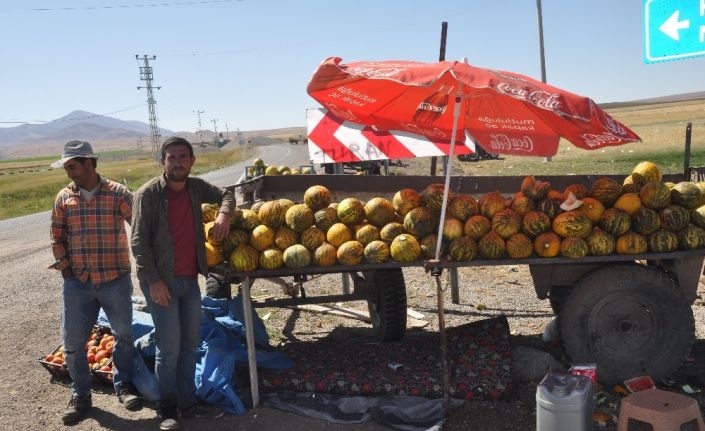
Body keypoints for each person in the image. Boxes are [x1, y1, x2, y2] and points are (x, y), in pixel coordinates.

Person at [131, 137, 234, 430]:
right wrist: (154, 281)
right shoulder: (148, 194)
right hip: (161, 283)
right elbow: (138, 242)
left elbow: (226, 193)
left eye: (182, 157)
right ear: (163, 161)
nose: (177, 162)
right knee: (169, 348)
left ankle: (188, 403)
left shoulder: (196, 187)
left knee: (191, 345)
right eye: (171, 157)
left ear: (191, 161)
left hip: (190, 281)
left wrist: (224, 213)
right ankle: (167, 408)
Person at [49, 140, 142, 425]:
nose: (69, 173)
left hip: (115, 280)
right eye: (66, 168)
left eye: (72, 166)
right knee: (74, 342)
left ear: (90, 163)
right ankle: (81, 396)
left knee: (124, 336)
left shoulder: (118, 194)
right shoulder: (64, 198)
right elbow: (57, 237)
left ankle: (123, 385)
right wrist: (66, 270)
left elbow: (138, 229)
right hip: (78, 284)